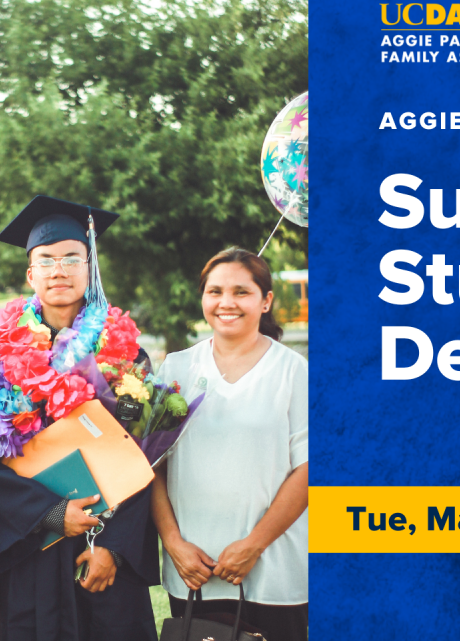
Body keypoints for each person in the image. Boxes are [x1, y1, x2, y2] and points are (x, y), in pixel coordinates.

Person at [0, 196, 158, 640]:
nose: (60, 270)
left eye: (73, 258)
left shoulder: (126, 354)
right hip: (31, 549)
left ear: (90, 267)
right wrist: (51, 514)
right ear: (30, 273)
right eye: (47, 260)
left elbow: (148, 454)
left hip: (105, 551)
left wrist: (113, 546)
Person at [151, 248, 308, 641]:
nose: (226, 303)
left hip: (274, 570)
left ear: (265, 300)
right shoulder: (175, 369)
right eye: (215, 291)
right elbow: (150, 466)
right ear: (202, 298)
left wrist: (254, 545)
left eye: (242, 291)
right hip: (193, 572)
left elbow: (310, 468)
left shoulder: (295, 372)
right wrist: (173, 544)